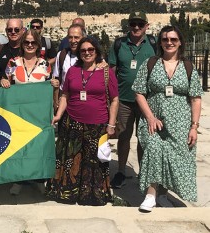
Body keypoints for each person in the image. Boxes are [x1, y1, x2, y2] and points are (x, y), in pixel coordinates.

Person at [133, 26, 203, 212]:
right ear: (160, 42)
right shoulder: (150, 63)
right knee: (154, 150)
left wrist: (194, 126)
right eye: (165, 39)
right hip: (154, 120)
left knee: (173, 158)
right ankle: (150, 195)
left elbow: (196, 98)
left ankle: (162, 195)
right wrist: (149, 117)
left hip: (180, 122)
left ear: (180, 42)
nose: (169, 43)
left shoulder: (188, 67)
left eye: (173, 39)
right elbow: (139, 92)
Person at [49, 37, 118, 205]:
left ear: (97, 52)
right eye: (83, 50)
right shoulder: (73, 71)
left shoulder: (106, 72)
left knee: (93, 162)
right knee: (72, 160)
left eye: (90, 50)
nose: (87, 53)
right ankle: (69, 193)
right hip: (72, 122)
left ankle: (91, 194)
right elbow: (65, 95)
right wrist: (58, 115)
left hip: (98, 124)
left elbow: (115, 99)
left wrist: (111, 124)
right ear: (78, 53)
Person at [1, 29, 52, 196]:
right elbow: (5, 82)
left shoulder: (45, 65)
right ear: (22, 45)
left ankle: (38, 178)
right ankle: (18, 179)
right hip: (18, 113)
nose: (30, 45)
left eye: (33, 42)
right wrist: (3, 81)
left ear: (38, 45)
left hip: (38, 114)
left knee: (37, 148)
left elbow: (50, 87)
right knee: (18, 147)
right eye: (27, 42)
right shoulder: (13, 63)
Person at [109, 12, 156, 189]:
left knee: (144, 138)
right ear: (128, 25)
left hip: (147, 100)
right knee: (123, 137)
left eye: (140, 24)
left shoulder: (153, 44)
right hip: (124, 99)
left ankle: (143, 173)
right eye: (133, 24)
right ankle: (121, 170)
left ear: (146, 26)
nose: (136, 27)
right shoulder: (119, 44)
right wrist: (111, 98)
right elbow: (112, 72)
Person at [52, 24, 85, 112]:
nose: (73, 41)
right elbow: (56, 80)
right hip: (65, 101)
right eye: (70, 37)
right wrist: (55, 102)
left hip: (83, 101)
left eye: (76, 37)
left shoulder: (90, 55)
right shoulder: (62, 55)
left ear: (83, 38)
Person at [0, 18, 24, 86]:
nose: (13, 32)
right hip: (2, 93)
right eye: (10, 30)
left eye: (16, 29)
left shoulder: (28, 50)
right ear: (6, 31)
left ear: (22, 30)